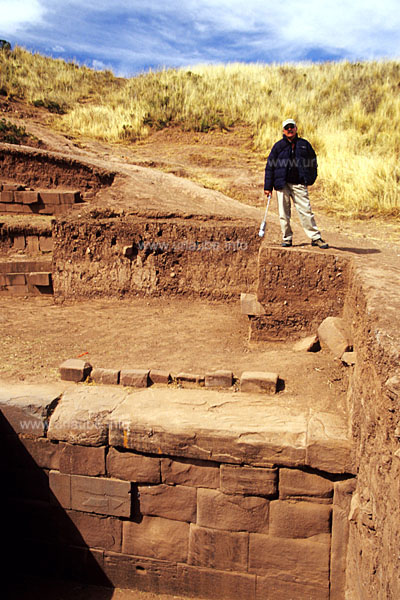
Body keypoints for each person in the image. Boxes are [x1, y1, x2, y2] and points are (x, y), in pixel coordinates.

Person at [264, 118, 328, 249]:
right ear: (283, 130)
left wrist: (310, 178)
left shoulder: (304, 144)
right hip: (282, 184)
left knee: (306, 211)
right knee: (283, 213)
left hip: (299, 184)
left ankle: (315, 237)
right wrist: (268, 187)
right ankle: (287, 238)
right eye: (287, 128)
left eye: (291, 127)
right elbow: (270, 166)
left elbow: (313, 162)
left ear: (296, 128)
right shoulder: (278, 146)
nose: (289, 130)